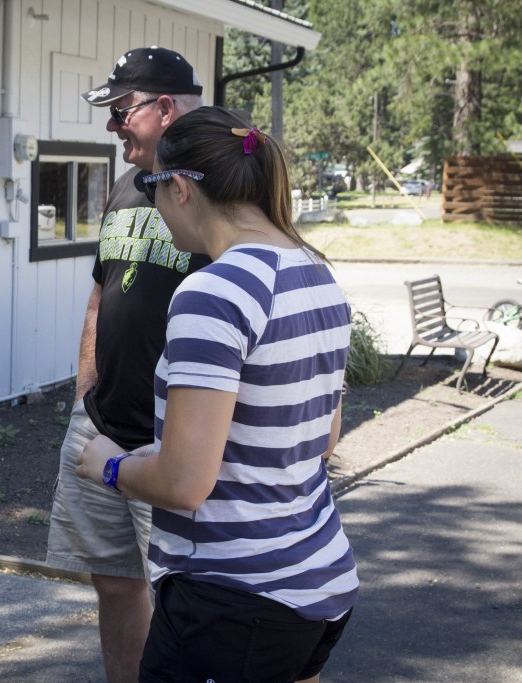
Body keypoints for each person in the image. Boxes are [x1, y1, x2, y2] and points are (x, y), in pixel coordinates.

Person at [76, 106, 359, 682]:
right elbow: (323, 439)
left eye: (153, 192)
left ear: (179, 187)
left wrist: (110, 467)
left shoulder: (214, 291)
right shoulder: (316, 271)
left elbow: (184, 484)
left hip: (233, 601)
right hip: (320, 581)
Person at [45, 46, 211, 682]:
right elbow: (101, 290)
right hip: (100, 425)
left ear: (163, 108)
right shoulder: (127, 183)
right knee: (113, 587)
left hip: (173, 444)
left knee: (186, 603)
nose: (112, 127)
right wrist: (87, 387)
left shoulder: (218, 183)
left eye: (121, 112)